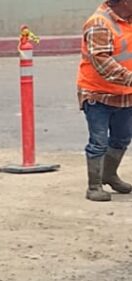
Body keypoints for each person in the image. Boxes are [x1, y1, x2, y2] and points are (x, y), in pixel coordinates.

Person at [78, 0, 132, 202]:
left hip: (125, 93)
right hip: (98, 94)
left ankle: (109, 175)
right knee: (98, 142)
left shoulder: (128, 19)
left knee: (122, 138)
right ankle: (94, 186)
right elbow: (102, 62)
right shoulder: (99, 23)